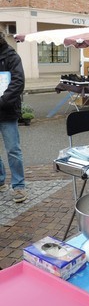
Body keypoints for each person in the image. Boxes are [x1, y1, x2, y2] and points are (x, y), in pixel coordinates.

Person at [0, 33, 27, 203]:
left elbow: (18, 82)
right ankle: (0, 180)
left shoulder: (11, 56)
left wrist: (2, 101)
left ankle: (19, 186)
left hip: (7, 111)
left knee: (13, 150)